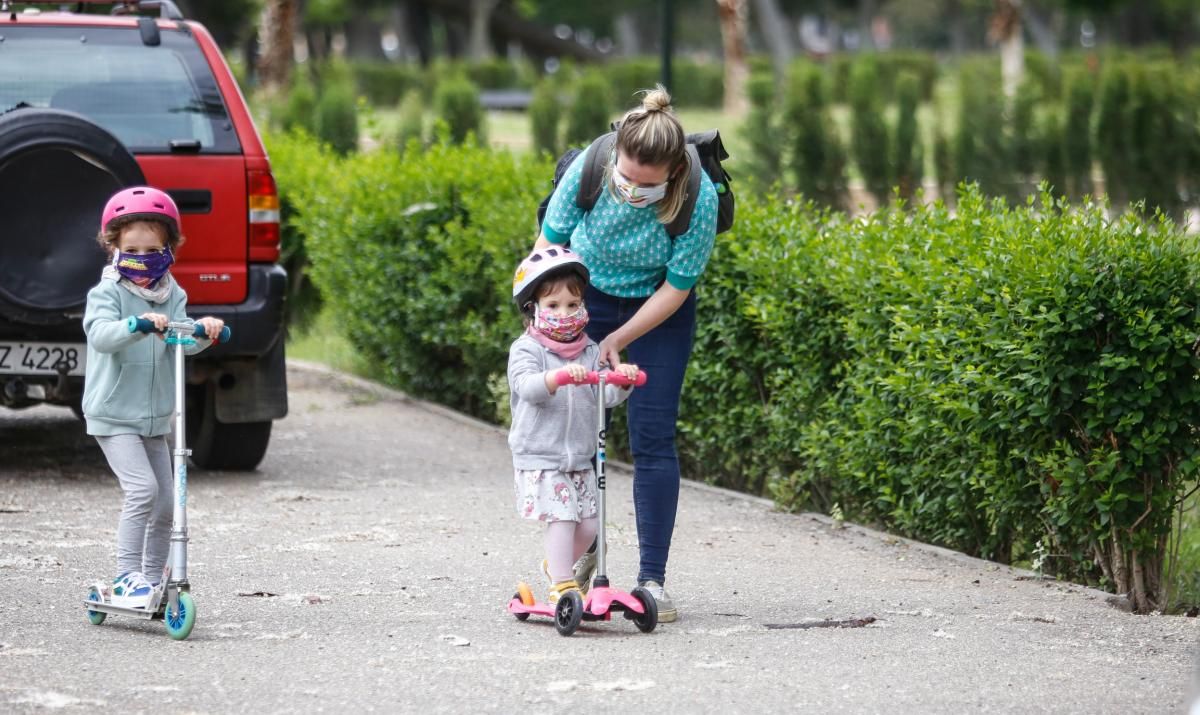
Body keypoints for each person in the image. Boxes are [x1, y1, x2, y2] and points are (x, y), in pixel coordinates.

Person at [533, 85, 719, 622]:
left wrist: (621, 339)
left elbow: (678, 286)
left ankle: (652, 580)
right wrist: (549, 320)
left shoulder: (697, 197)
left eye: (646, 184)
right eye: (626, 176)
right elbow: (550, 248)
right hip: (584, 300)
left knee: (653, 437)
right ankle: (583, 549)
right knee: (574, 438)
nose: (631, 189)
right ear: (616, 154)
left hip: (658, 313)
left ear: (673, 175)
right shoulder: (593, 165)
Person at [82, 186, 225, 609]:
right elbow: (101, 336)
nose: (142, 260)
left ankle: (152, 579)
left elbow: (178, 339)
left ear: (169, 248)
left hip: (154, 418)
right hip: (114, 416)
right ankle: (127, 576)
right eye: (132, 250)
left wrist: (205, 331)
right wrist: (137, 324)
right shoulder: (107, 292)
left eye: (152, 249)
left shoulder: (172, 292)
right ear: (114, 247)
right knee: (142, 491)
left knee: (167, 503)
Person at [508, 246, 639, 605]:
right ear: (533, 308)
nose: (563, 313)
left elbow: (605, 395)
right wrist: (557, 377)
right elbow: (526, 387)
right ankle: (563, 583)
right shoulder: (527, 350)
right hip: (542, 456)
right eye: (552, 306)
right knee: (563, 519)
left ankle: (556, 566)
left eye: (571, 304)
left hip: (579, 457)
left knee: (591, 525)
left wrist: (621, 380)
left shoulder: (589, 350)